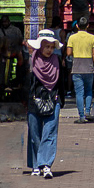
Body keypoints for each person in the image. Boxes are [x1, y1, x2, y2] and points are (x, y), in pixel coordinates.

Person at [24, 30, 62, 177]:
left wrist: (60, 100)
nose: (49, 50)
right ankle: (36, 165)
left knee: (50, 133)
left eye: (52, 47)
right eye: (46, 46)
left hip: (53, 99)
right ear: (40, 46)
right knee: (34, 134)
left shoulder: (57, 61)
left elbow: (62, 83)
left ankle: (46, 165)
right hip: (34, 101)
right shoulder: (31, 61)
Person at [68, 19, 94, 122]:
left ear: (77, 26)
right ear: (87, 25)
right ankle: (88, 112)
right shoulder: (92, 37)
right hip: (88, 67)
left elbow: (68, 53)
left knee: (79, 93)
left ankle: (81, 116)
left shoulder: (72, 37)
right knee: (89, 91)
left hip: (77, 67)